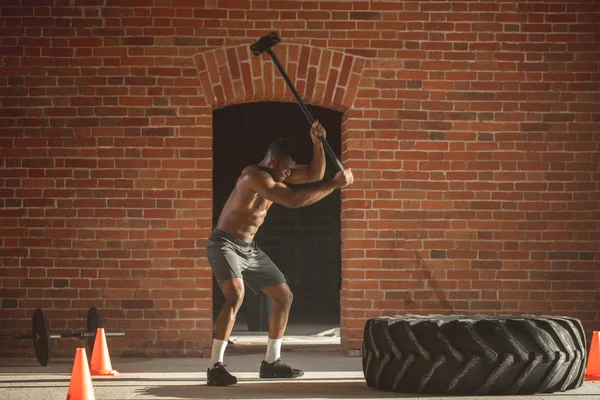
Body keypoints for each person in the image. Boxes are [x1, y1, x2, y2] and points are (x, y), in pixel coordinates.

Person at [205, 120, 354, 386]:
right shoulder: (255, 176)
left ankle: (272, 363)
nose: (290, 173)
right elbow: (294, 200)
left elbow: (314, 175)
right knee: (235, 295)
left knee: (284, 296)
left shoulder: (278, 172)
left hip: (249, 248)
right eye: (286, 169)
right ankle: (215, 366)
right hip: (224, 244)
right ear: (273, 161)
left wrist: (317, 142)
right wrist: (334, 185)